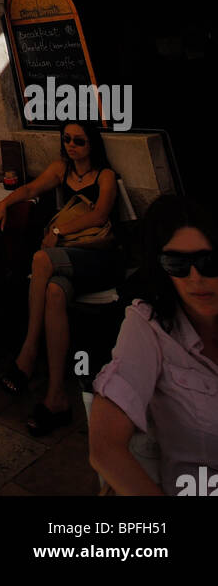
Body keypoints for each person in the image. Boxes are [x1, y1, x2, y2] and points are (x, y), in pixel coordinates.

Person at [0, 120, 120, 435]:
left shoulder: (104, 176)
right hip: (67, 261)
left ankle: (29, 350)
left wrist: (59, 230)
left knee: (40, 258)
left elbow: (100, 214)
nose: (72, 145)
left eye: (79, 140)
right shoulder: (61, 169)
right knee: (54, 292)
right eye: (67, 139)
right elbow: (31, 188)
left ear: (92, 144)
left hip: (98, 259)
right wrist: (4, 203)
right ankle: (56, 398)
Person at [89, 195, 218, 496]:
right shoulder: (149, 327)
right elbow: (105, 446)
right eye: (177, 264)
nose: (195, 277)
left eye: (210, 261)